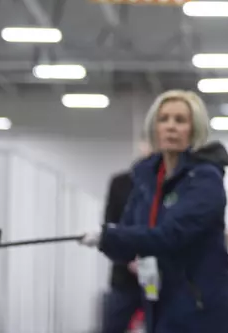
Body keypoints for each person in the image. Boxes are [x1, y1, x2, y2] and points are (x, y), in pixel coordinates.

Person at [81, 90, 228, 333]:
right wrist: (110, 241)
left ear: (194, 128)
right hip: (160, 304)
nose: (170, 127)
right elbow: (128, 231)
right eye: (163, 119)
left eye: (180, 120)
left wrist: (110, 236)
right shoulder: (145, 178)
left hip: (202, 310)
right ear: (154, 127)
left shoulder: (205, 180)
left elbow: (171, 235)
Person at [100, 141, 152, 333]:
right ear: (142, 145)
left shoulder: (170, 184)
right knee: (113, 326)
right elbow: (110, 225)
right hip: (124, 274)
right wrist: (129, 260)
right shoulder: (121, 183)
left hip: (159, 275)